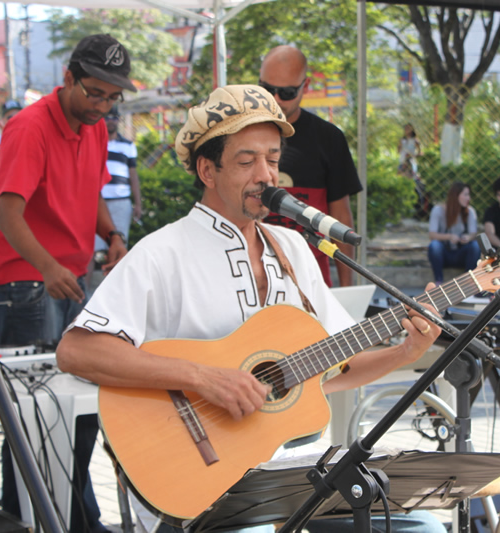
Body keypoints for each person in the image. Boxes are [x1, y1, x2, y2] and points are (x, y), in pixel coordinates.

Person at [55, 84, 445, 533]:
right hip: (208, 490)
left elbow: (337, 370)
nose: (267, 175)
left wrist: (405, 353)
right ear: (207, 169)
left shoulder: (294, 248)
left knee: (424, 528)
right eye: (247, 161)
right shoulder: (161, 252)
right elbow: (77, 352)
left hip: (296, 477)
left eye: (274, 160)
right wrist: (202, 377)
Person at [0, 33, 136, 533]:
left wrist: (112, 234)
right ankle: (36, 518)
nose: (103, 106)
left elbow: (90, 194)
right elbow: (7, 214)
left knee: (79, 409)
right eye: (95, 93)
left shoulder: (95, 127)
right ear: (67, 78)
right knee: (32, 417)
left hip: (68, 278)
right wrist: (47, 267)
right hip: (25, 285)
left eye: (113, 97)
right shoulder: (29, 127)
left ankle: (74, 516)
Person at [258, 45, 362, 288]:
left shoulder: (329, 138)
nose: (275, 99)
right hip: (256, 278)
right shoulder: (241, 135)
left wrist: (348, 291)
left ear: (305, 86)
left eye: (286, 92)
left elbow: (341, 216)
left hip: (312, 281)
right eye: (266, 89)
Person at [94, 105, 141, 260]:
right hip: (97, 202)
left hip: (121, 201)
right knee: (93, 249)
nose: (111, 121)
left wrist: (138, 203)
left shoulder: (128, 145)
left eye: (114, 117)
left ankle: (117, 283)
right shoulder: (94, 142)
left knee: (119, 247)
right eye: (107, 117)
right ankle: (87, 285)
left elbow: (133, 175)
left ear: (118, 120)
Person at [427, 182, 480, 284]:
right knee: (434, 245)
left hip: (461, 253)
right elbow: (432, 234)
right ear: (455, 195)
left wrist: (467, 237)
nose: (468, 198)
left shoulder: (470, 212)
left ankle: (469, 282)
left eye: (469, 195)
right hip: (444, 254)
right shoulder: (438, 210)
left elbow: (473, 234)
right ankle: (438, 281)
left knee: (475, 246)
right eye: (465, 194)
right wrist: (449, 237)